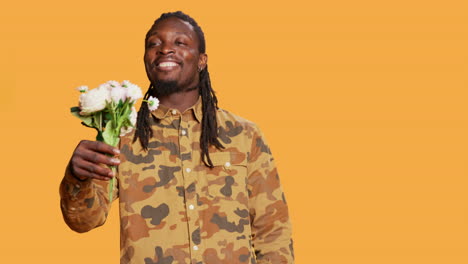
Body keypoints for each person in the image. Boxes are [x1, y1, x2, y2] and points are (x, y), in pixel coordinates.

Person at [60, 11, 294, 264]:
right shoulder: (122, 135)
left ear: (202, 60)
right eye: (154, 44)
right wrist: (78, 177)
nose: (165, 50)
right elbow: (83, 220)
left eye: (180, 42)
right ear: (145, 59)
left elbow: (273, 233)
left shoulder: (245, 135)